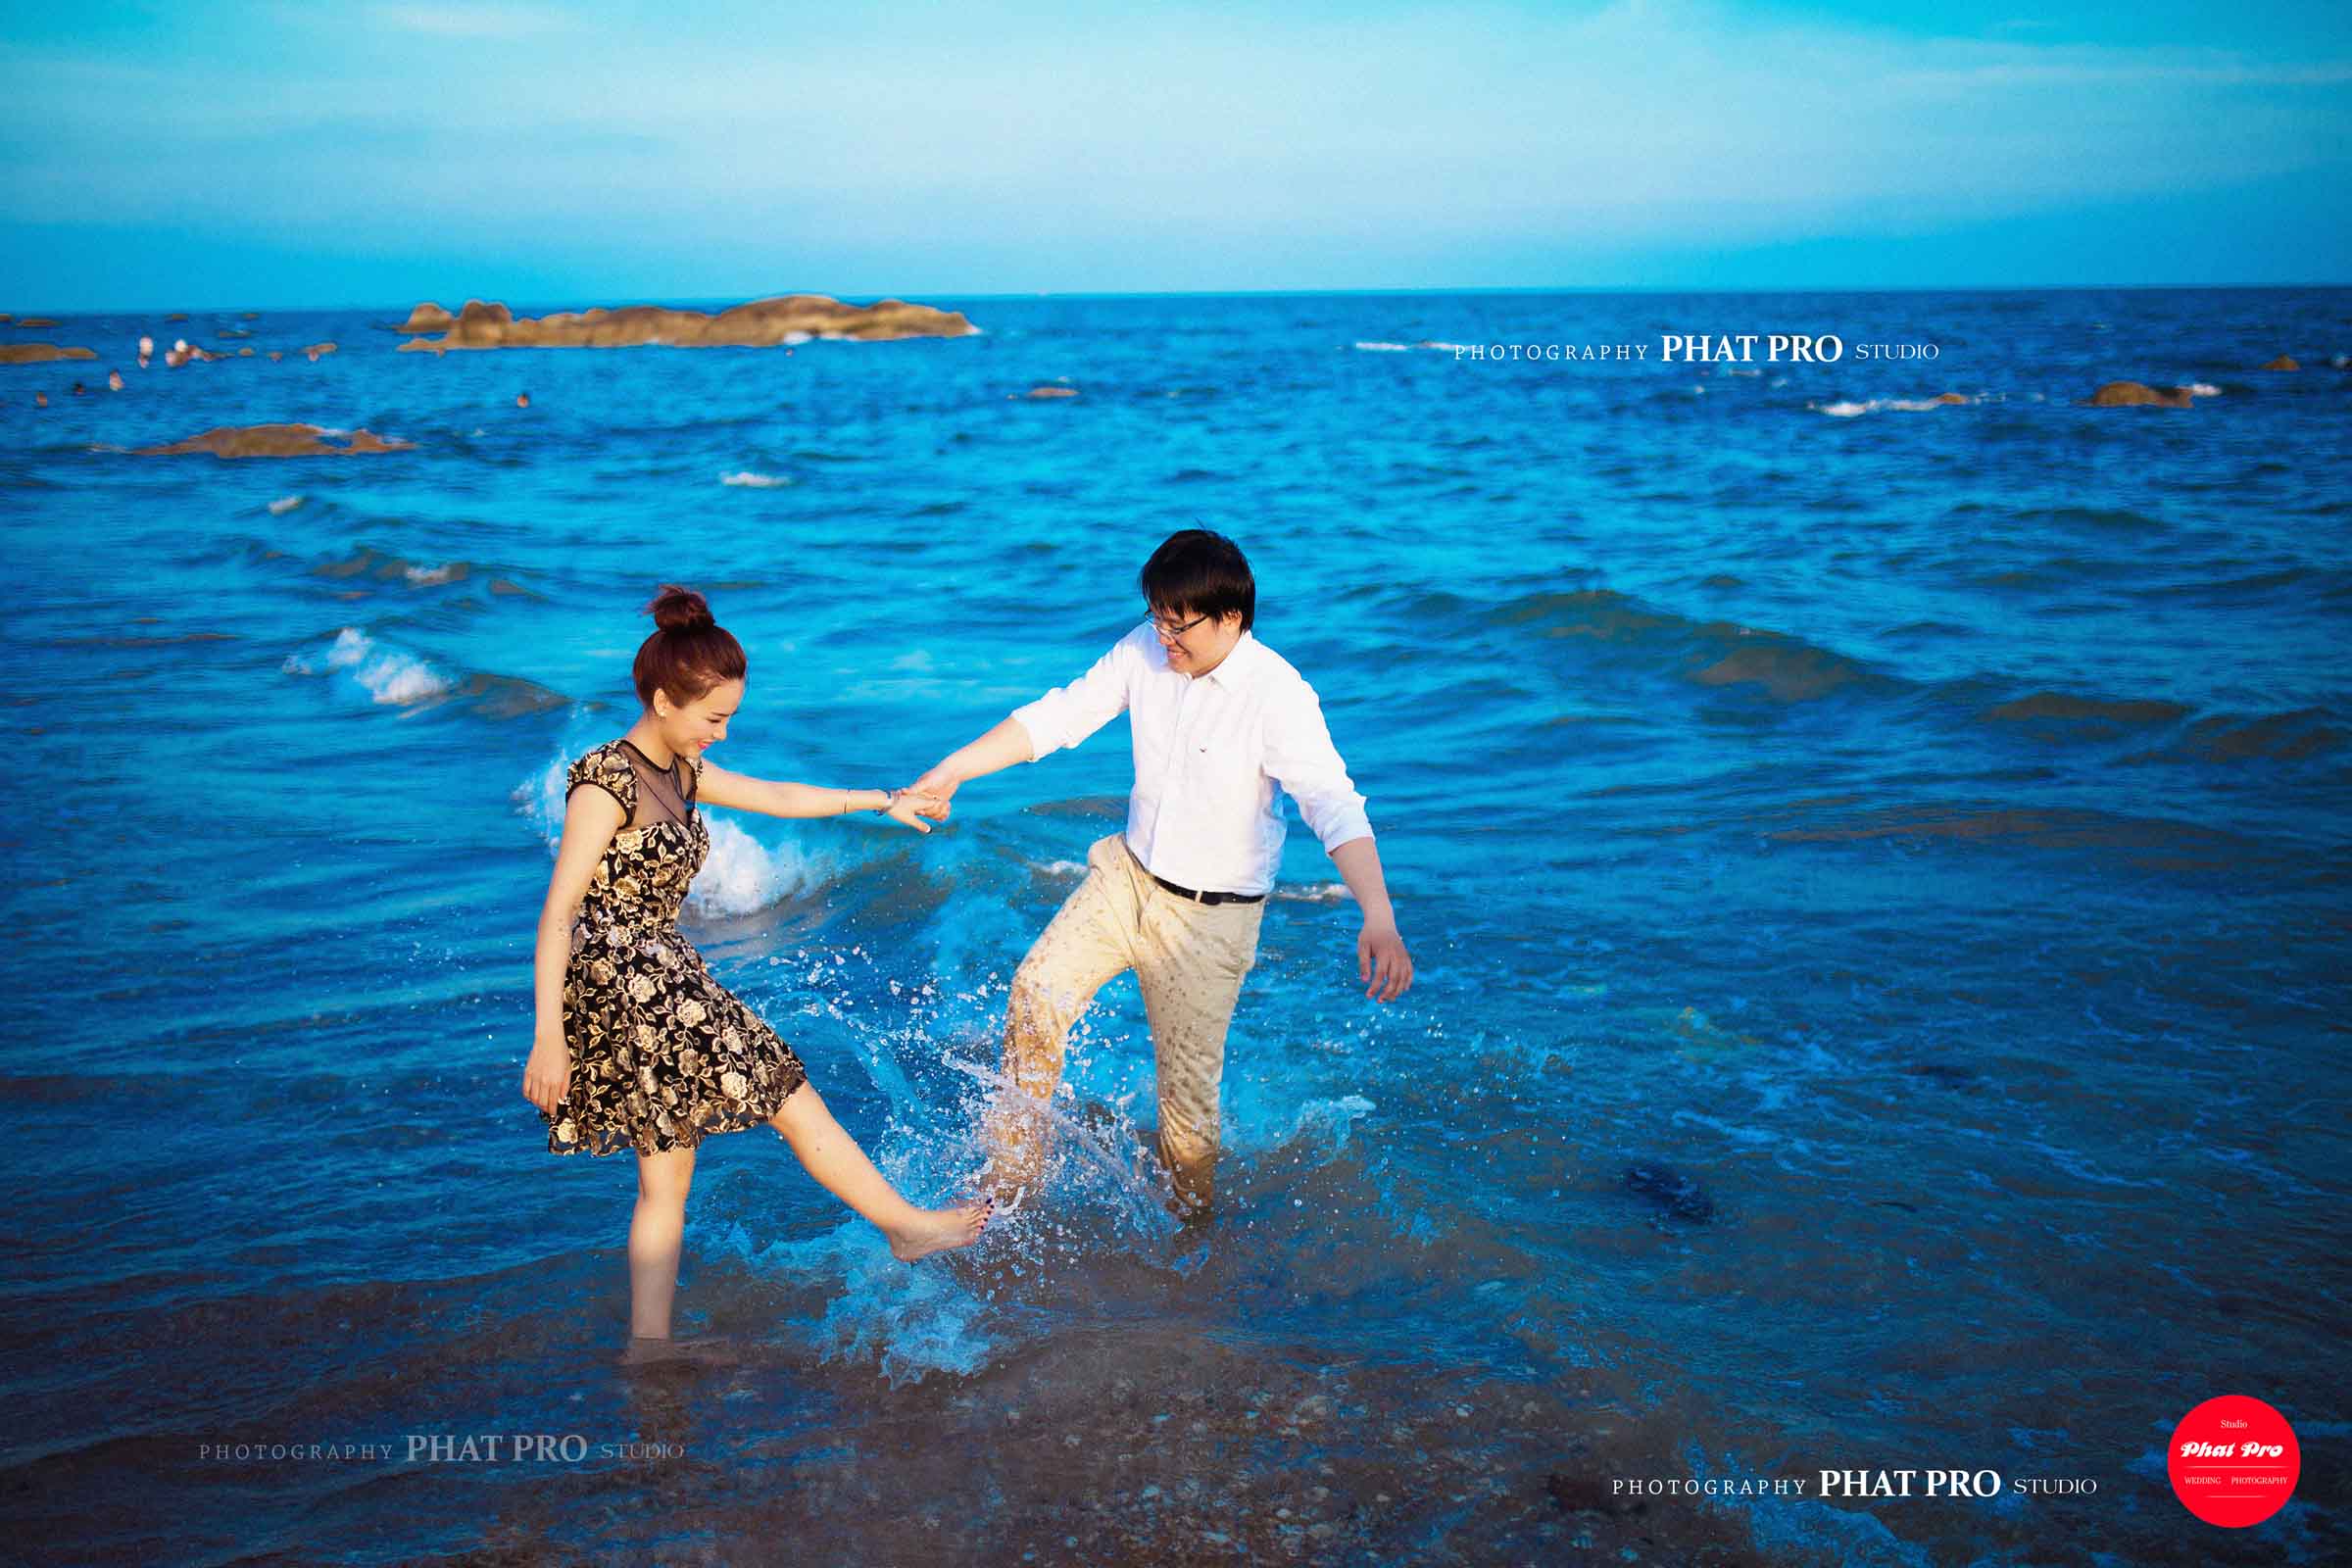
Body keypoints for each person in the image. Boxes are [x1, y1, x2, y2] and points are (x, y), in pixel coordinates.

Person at [522, 584, 989, 1359]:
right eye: (714, 718)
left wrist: (885, 800)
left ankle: (650, 1347)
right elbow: (558, 912)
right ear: (663, 701)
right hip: (628, 987)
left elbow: (777, 795)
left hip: (665, 975)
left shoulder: (680, 770)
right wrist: (550, 1039)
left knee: (669, 1174)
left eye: (730, 717)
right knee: (784, 1091)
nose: (723, 733)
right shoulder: (605, 782)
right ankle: (903, 1226)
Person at [908, 529, 1413, 1218]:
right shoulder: (1146, 650)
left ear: (1230, 617)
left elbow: (1333, 804)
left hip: (1210, 920)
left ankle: (1192, 1240)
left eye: (1179, 625)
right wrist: (953, 770)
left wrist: (1377, 914)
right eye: (1157, 619)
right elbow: (1061, 714)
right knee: (1036, 993)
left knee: (1185, 1112)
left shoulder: (1278, 695)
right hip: (1126, 879)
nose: (1164, 638)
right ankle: (1012, 1187)